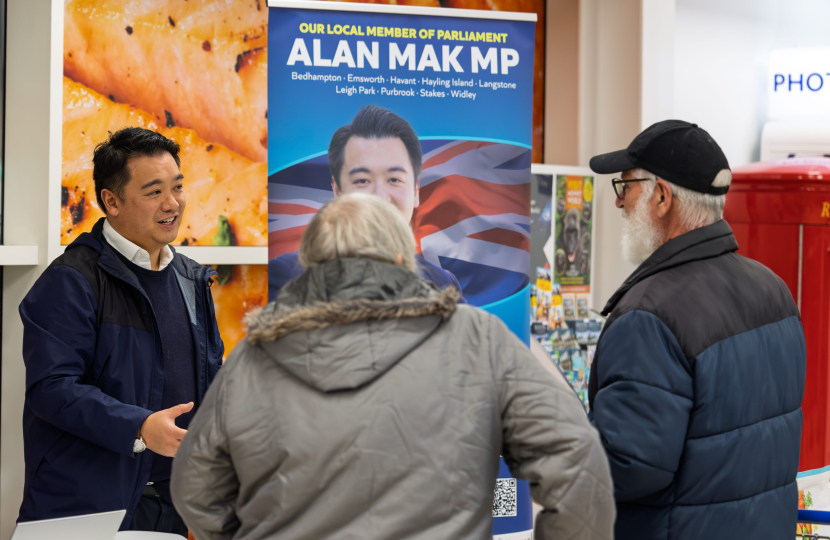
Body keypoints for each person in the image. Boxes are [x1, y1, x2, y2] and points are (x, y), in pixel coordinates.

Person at [171, 193, 615, 540]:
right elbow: (576, 463)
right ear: (405, 261)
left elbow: (196, 488)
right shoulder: (479, 339)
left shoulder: (254, 355)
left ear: (308, 266)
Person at [588, 120, 806, 540]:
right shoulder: (774, 290)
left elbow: (630, 467)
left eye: (626, 187)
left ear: (662, 197)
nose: (619, 203)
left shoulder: (647, 316)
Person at [18, 128, 224, 535]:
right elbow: (52, 388)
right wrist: (140, 428)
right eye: (153, 192)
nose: (172, 204)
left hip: (173, 505)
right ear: (110, 201)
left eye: (177, 187)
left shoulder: (190, 278)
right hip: (90, 511)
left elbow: (211, 378)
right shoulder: (72, 280)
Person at [268, 104, 463, 302]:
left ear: (416, 191)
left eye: (394, 179)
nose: (380, 198)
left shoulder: (444, 285)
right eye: (362, 181)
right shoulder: (288, 278)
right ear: (337, 191)